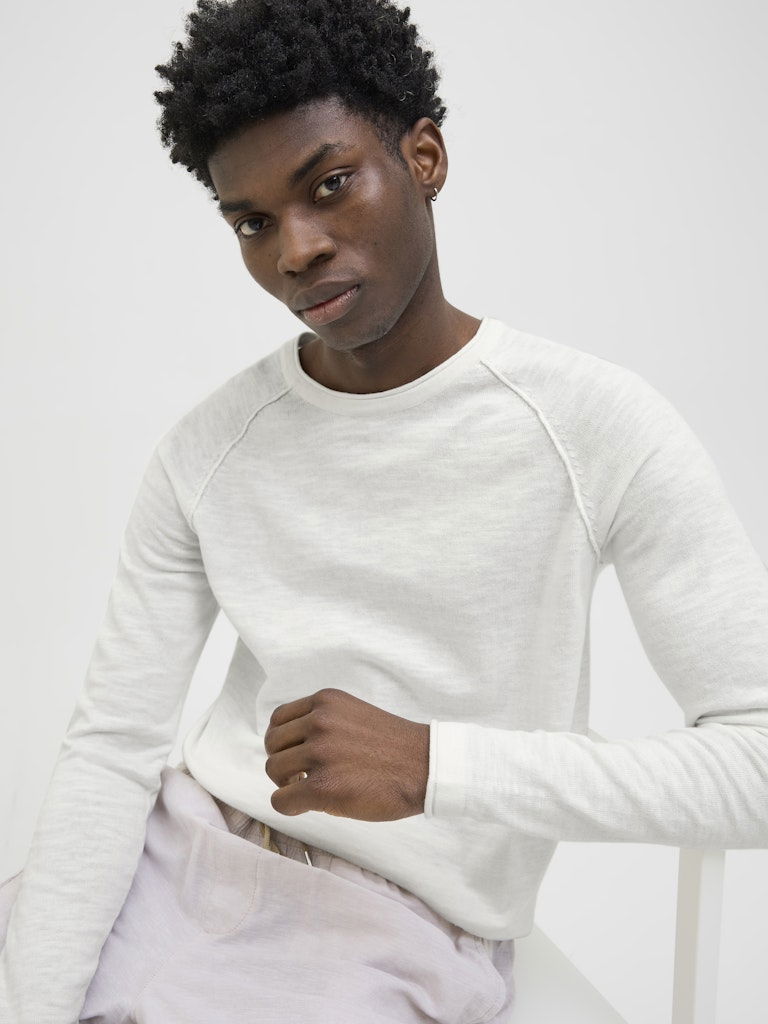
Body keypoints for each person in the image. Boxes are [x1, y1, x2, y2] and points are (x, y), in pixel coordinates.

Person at [1, 0, 767, 1020]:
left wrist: (436, 765)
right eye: (253, 222)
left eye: (329, 185)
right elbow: (111, 747)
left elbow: (756, 761)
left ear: (424, 158)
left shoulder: (597, 426)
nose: (295, 250)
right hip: (171, 854)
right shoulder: (209, 448)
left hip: (390, 931)